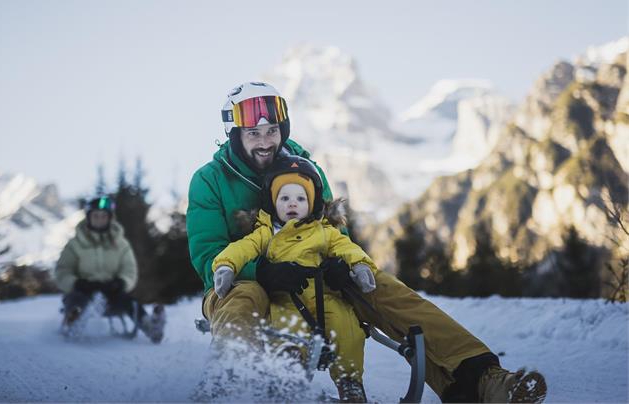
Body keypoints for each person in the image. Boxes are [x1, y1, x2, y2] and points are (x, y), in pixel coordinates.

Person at [186, 82, 547, 403]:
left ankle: (483, 380)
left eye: (271, 130)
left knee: (382, 289)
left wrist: (341, 265)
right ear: (235, 135)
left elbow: (332, 230)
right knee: (244, 297)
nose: (265, 141)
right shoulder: (210, 180)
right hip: (239, 280)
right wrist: (260, 270)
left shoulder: (303, 168)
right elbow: (207, 255)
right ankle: (230, 388)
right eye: (253, 133)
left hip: (311, 274)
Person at [212, 154, 377, 402]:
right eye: (285, 198)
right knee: (288, 330)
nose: (292, 204)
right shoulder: (266, 232)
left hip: (325, 296)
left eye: (300, 198)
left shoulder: (324, 231)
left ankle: (349, 381)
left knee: (347, 328)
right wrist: (225, 266)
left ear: (311, 204)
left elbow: (347, 247)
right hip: (286, 298)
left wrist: (360, 266)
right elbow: (242, 248)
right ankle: (288, 371)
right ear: (273, 202)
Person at [55, 196, 166, 344]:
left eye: (103, 216)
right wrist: (76, 283)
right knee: (77, 300)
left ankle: (150, 326)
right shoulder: (74, 245)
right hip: (83, 290)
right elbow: (62, 271)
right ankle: (72, 322)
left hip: (111, 291)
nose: (99, 219)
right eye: (95, 216)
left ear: (110, 218)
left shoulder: (121, 244)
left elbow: (129, 270)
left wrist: (121, 283)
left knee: (129, 302)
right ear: (88, 217)